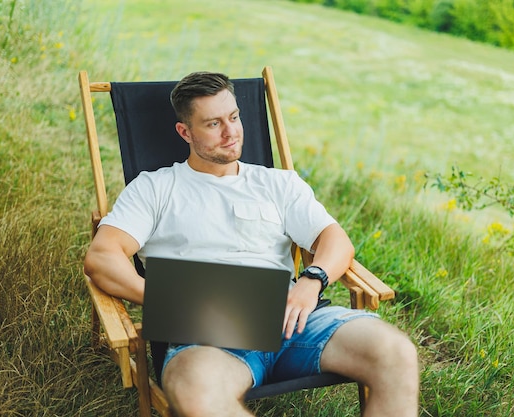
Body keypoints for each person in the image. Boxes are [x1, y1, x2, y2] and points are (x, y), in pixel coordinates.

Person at [83, 71, 419, 417]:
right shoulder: (155, 189)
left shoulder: (277, 184)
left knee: (396, 352)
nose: (231, 133)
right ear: (185, 132)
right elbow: (102, 257)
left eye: (234, 117)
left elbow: (334, 240)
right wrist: (171, 301)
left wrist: (312, 279)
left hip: (293, 315)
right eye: (214, 124)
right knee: (197, 390)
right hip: (207, 333)